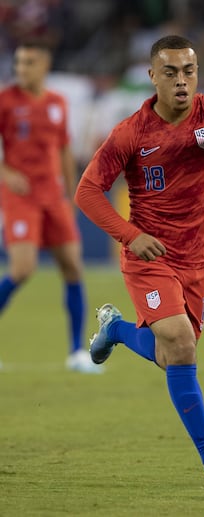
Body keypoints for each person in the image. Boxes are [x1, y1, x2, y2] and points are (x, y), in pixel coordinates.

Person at [75, 35, 204, 483]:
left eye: (189, 71)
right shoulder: (131, 132)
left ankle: (115, 328)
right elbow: (87, 192)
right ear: (153, 77)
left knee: (173, 354)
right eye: (170, 72)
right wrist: (131, 236)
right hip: (149, 256)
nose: (181, 80)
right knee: (181, 342)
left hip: (198, 259)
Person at [0, 41, 102, 374]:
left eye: (29, 62)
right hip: (20, 196)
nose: (21, 69)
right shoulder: (6, 101)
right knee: (22, 270)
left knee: (73, 267)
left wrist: (72, 193)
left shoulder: (57, 103)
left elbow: (63, 150)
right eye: (19, 62)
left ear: (44, 66)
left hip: (53, 197)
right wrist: (6, 173)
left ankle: (76, 352)